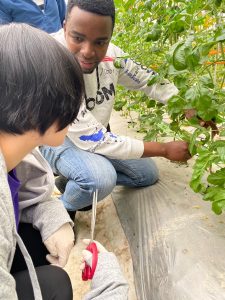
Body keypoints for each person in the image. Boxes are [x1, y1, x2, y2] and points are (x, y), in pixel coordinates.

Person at [0, 22, 128, 300]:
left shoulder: (17, 152)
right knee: (100, 176)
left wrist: (54, 221)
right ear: (36, 107)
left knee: (48, 267)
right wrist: (111, 287)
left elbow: (31, 194)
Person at [40, 0, 191, 217]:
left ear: (110, 36)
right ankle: (56, 211)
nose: (88, 52)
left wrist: (187, 105)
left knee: (146, 174)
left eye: (100, 42)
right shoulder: (51, 62)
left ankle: (73, 180)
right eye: (78, 38)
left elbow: (148, 81)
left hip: (94, 133)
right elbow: (92, 139)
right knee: (101, 179)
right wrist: (165, 149)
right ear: (64, 27)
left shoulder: (113, 56)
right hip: (55, 139)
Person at [0, 0, 66, 33]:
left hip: (60, 49)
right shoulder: (4, 2)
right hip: (30, 55)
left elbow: (65, 20)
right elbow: (6, 37)